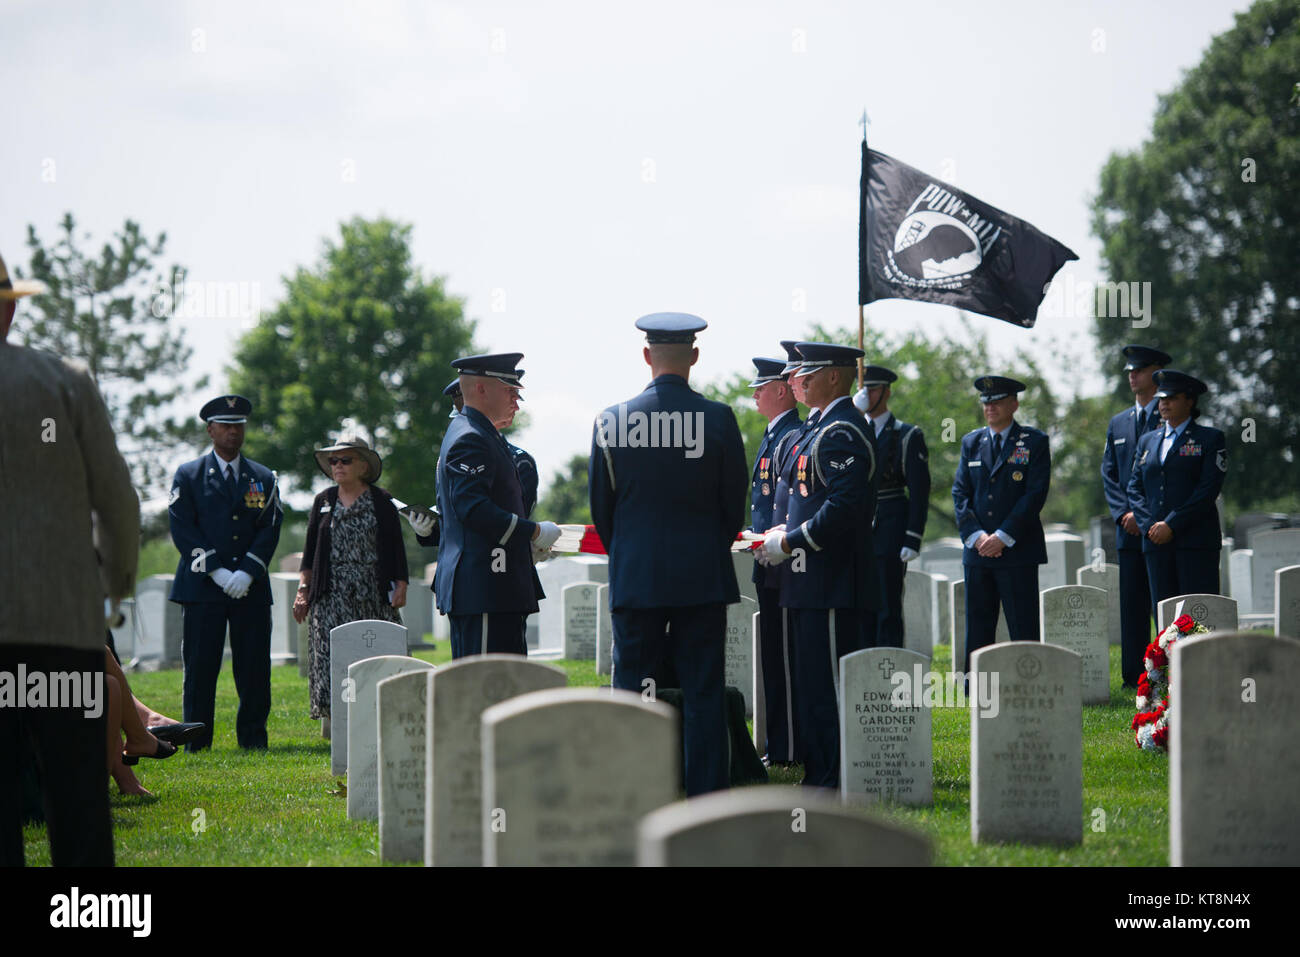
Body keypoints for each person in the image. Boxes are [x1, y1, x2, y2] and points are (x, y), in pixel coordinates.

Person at [1, 251, 138, 866]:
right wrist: (112, 586)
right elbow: (116, 498)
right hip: (63, 623)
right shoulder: (66, 380)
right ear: (11, 306)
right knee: (78, 799)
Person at [589, 313, 748, 797]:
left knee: (633, 688)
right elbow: (731, 505)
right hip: (701, 574)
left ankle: (633, 787)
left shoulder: (610, 420)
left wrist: (632, 553)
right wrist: (706, 546)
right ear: (694, 356)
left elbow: (604, 508)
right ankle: (705, 794)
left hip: (638, 575)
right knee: (703, 691)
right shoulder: (719, 419)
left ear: (646, 355)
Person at [763, 341, 878, 790]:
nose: (798, 381)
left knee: (828, 686)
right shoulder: (819, 428)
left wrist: (790, 541)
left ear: (835, 376)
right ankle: (820, 772)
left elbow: (846, 507)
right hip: (809, 583)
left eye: (807, 374)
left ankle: (834, 778)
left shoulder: (841, 431)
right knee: (811, 686)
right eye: (797, 374)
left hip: (833, 583)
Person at [168, 395, 283, 751]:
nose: (233, 432)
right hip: (203, 587)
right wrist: (217, 571)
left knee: (253, 669)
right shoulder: (189, 475)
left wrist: (247, 572)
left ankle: (253, 739)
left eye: (239, 426)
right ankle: (197, 741)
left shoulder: (263, 477)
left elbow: (270, 526)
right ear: (210, 430)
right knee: (201, 669)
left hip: (249, 588)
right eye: (226, 426)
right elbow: (183, 527)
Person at [435, 353, 559, 658]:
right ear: (480, 388)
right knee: (487, 689)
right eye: (510, 391)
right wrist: (533, 533)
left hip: (495, 587)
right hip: (485, 588)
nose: (516, 401)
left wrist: (525, 542)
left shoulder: (482, 434)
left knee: (503, 690)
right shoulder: (471, 438)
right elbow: (473, 509)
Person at [293, 437, 409, 731]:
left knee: (374, 653)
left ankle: (377, 719)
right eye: (334, 461)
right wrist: (302, 591)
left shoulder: (382, 501)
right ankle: (335, 726)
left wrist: (401, 584)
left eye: (345, 460)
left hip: (371, 590)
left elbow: (397, 548)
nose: (338, 466)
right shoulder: (324, 501)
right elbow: (309, 554)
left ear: (363, 465)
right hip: (330, 593)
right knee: (330, 656)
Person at [952, 376, 1050, 675]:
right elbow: (960, 492)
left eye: (997, 401)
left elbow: (1034, 494)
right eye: (986, 402)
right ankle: (975, 686)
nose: (990, 407)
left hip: (1018, 550)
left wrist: (1004, 536)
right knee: (978, 624)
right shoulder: (972, 442)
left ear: (1014, 404)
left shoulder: (1034, 441)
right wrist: (978, 536)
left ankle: (1029, 682)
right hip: (978, 551)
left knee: (1023, 623)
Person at [1127, 370, 1227, 610]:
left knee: (1199, 617)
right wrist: (1150, 525)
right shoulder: (1147, 441)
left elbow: (1207, 490)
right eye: (1161, 399)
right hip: (1156, 544)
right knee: (1164, 621)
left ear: (1189, 401)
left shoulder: (1210, 439)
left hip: (1195, 542)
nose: (1164, 404)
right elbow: (1134, 487)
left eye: (1171, 398)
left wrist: (1171, 524)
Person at [1101, 344, 1170, 687]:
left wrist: (1144, 517)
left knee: (1162, 602)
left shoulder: (1169, 416)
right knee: (1131, 605)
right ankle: (1134, 674)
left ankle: (1166, 670)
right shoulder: (1119, 423)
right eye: (1130, 370)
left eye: (1139, 370)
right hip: (1127, 530)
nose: (1132, 375)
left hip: (1157, 528)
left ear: (1157, 374)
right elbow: (1110, 474)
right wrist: (1123, 513)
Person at [747, 356, 802, 767]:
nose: (754, 395)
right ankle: (778, 745)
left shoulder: (792, 435)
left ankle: (786, 747)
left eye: (761, 388)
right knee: (773, 656)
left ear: (781, 391)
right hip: (767, 560)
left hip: (782, 562)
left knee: (783, 658)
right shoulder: (775, 435)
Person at [853, 365, 931, 648]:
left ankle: (888, 665)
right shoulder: (854, 430)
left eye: (872, 389)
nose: (867, 395)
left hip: (891, 525)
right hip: (860, 527)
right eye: (863, 389)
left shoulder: (907, 435)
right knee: (860, 605)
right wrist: (855, 415)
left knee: (887, 604)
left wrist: (913, 536)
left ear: (886, 391)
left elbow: (920, 491)